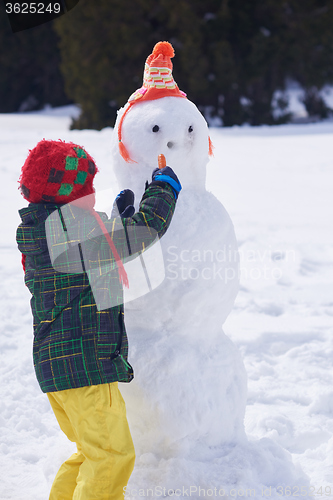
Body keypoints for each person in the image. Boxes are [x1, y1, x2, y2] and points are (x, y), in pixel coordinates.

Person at [16, 139, 181, 500]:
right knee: (111, 458)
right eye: (86, 189)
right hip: (84, 368)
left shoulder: (45, 231)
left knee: (91, 454)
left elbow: (95, 262)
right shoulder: (72, 229)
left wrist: (119, 221)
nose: (92, 196)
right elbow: (142, 233)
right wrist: (164, 191)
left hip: (59, 371)